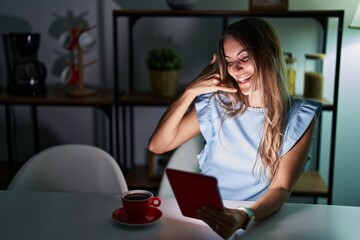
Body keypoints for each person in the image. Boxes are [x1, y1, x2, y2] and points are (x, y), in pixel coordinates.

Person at [148, 17, 321, 239]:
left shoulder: (300, 115)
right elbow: (157, 145)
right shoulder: (218, 104)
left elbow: (281, 189)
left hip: (257, 221)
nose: (236, 69)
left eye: (244, 58)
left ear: (269, 54)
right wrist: (191, 90)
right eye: (229, 61)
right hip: (205, 219)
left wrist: (243, 216)